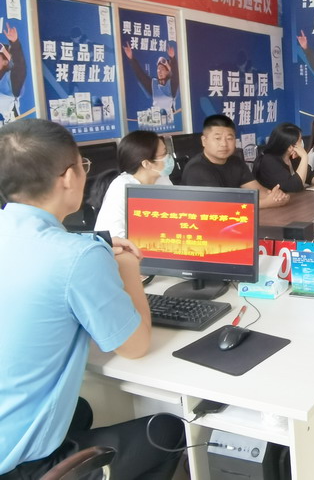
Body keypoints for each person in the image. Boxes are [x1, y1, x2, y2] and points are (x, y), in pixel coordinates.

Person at [0, 119, 183, 478]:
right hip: (18, 463)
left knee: (81, 409)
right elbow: (135, 347)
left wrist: (95, 244)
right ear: (69, 177)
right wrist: (128, 267)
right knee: (166, 430)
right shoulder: (77, 258)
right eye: (83, 165)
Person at [182, 114, 289, 208]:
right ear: (204, 141)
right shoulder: (196, 169)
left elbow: (256, 190)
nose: (224, 144)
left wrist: (277, 196)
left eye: (229, 138)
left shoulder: (235, 162)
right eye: (218, 138)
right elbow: (221, 206)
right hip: (204, 222)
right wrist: (267, 203)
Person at [93, 130, 175, 238]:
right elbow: (114, 236)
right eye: (164, 154)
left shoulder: (162, 180)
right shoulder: (122, 188)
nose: (169, 157)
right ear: (147, 164)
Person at [254, 122, 314, 192]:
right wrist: (304, 157)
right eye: (300, 140)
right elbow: (295, 186)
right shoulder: (269, 161)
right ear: (290, 147)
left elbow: (309, 175)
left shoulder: (292, 157)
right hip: (275, 204)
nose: (302, 143)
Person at [123, 44, 179, 121]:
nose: (159, 71)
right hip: (156, 121)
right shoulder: (154, 84)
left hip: (170, 121)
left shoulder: (171, 85)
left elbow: (176, 75)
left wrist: (172, 58)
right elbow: (141, 75)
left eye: (162, 69)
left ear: (167, 72)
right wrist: (131, 58)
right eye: (158, 69)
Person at [0, 22, 26, 122]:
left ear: (5, 61)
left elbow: (19, 66)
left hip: (11, 128)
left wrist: (14, 43)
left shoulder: (10, 80)